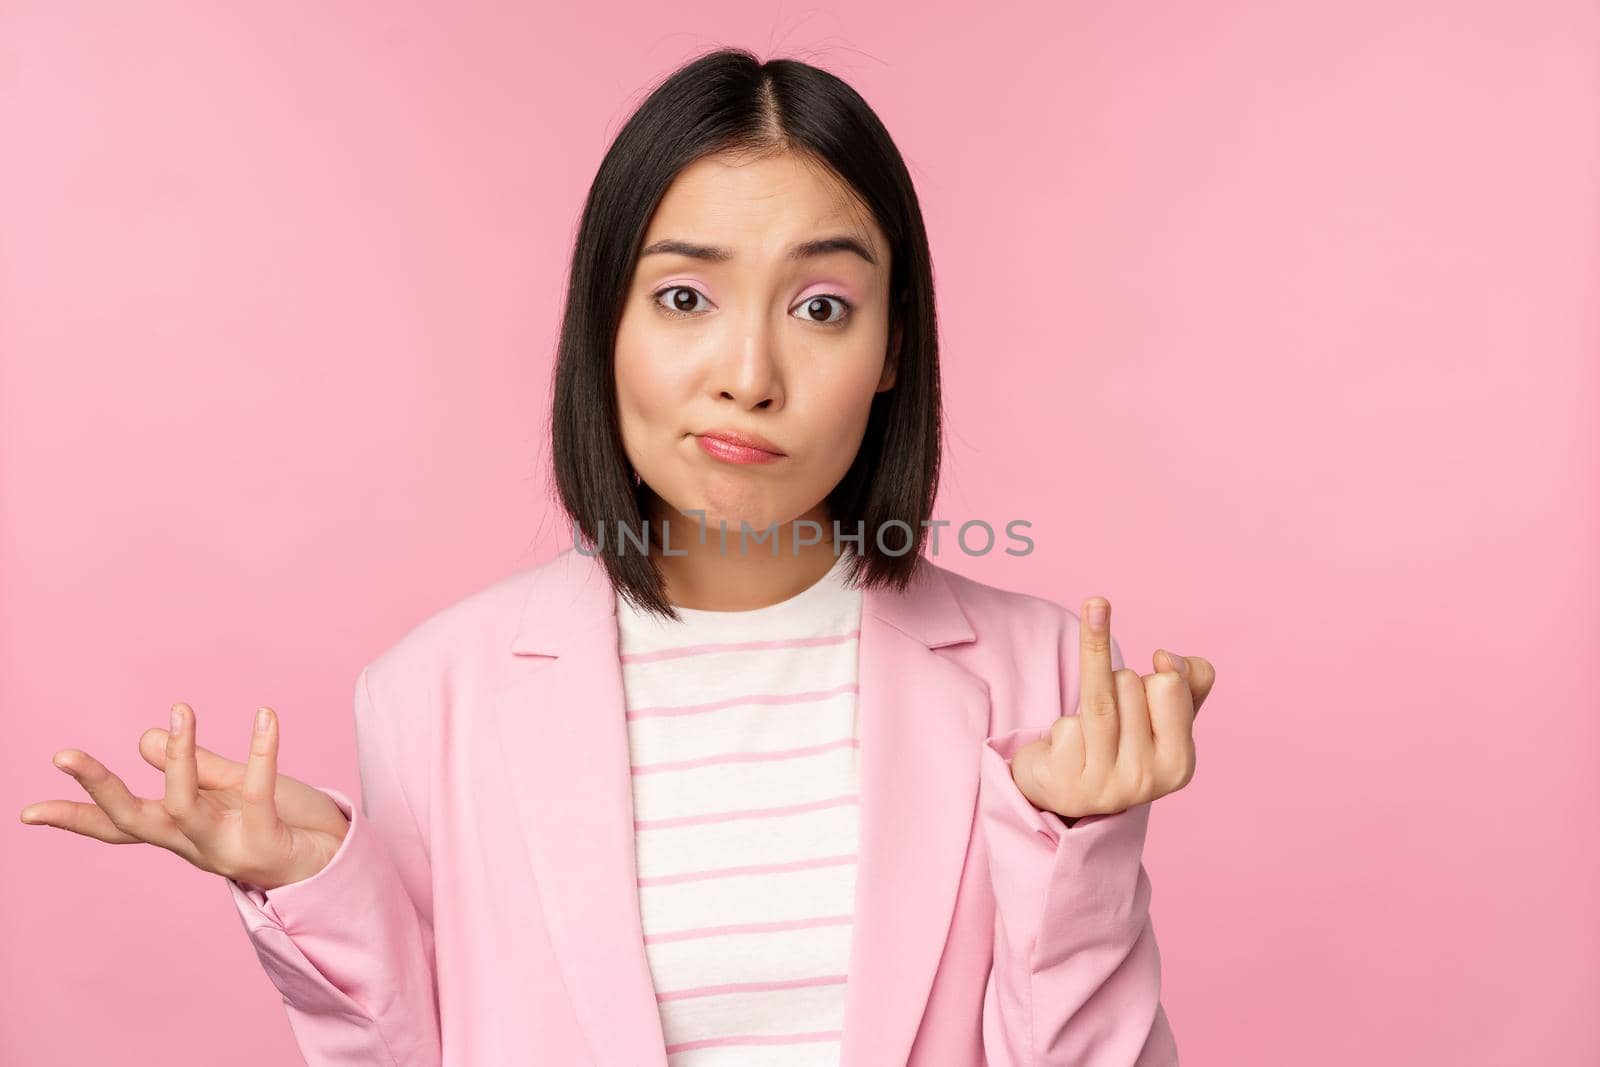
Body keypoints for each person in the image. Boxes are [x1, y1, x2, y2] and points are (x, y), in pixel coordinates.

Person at [19, 47, 1215, 1066]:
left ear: (893, 347)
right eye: (685, 297)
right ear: (605, 320)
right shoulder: (438, 690)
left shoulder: (1048, 678)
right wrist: (321, 884)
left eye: (820, 308)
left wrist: (1076, 846)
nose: (749, 373)